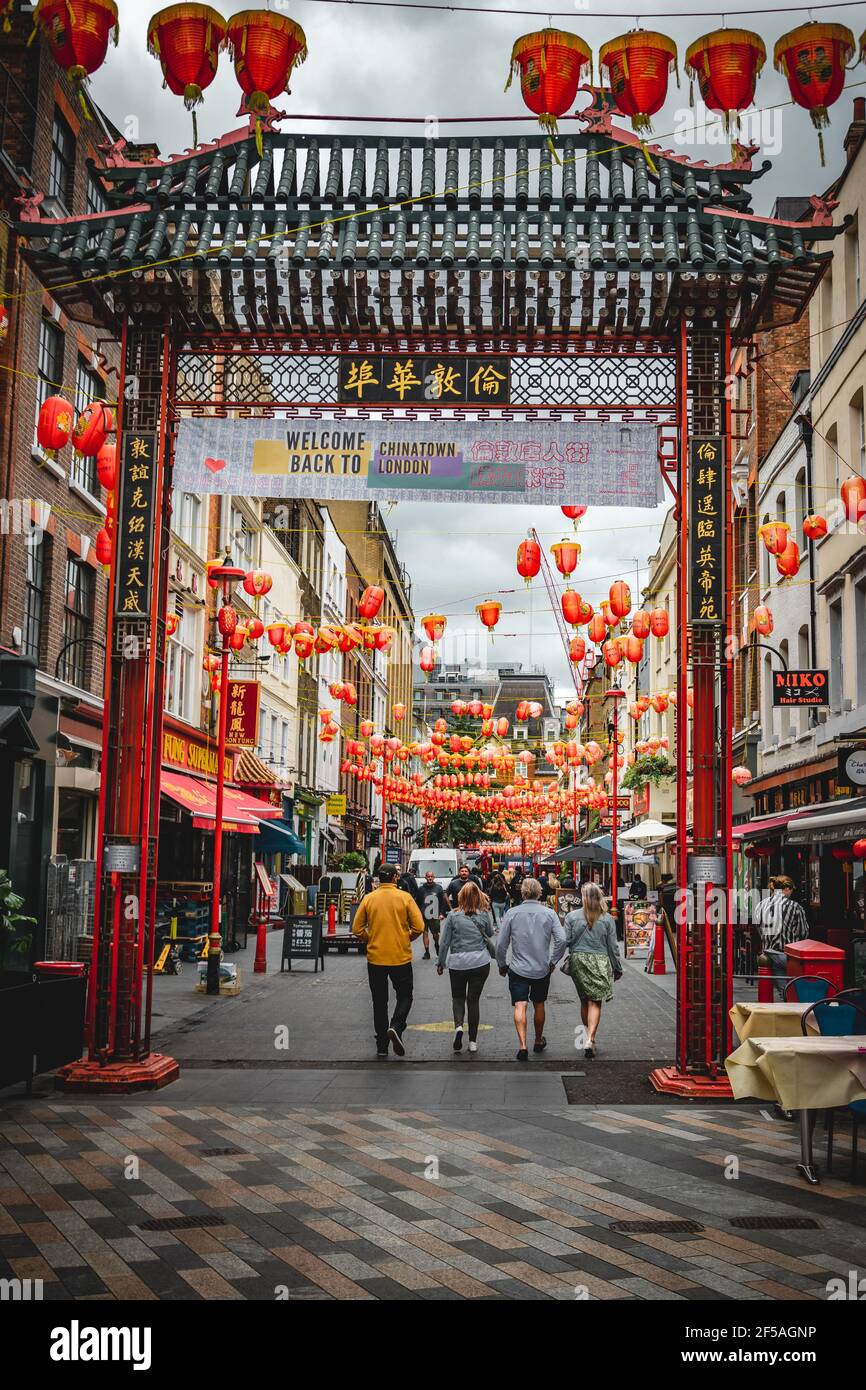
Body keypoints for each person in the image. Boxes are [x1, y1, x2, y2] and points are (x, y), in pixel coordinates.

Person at [352, 863, 424, 1057]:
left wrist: (371, 938)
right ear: (394, 878)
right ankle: (397, 1026)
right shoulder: (405, 898)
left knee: (379, 1001)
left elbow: (357, 929)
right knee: (405, 995)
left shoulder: (369, 899)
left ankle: (382, 1045)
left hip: (376, 958)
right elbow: (419, 926)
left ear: (379, 878)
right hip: (400, 957)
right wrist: (405, 937)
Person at [496, 877, 566, 1062]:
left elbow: (501, 944)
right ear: (540, 892)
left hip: (518, 968)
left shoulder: (512, 913)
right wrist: (553, 960)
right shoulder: (549, 914)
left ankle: (522, 1045)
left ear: (522, 892)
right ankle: (537, 1039)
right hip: (541, 968)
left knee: (520, 1004)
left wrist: (502, 964)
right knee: (539, 1004)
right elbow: (562, 939)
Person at [563, 883, 622, 1059]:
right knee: (595, 1001)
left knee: (584, 999)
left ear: (583, 897)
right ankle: (590, 1038)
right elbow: (613, 947)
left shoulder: (572, 917)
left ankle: (589, 1036)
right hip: (600, 961)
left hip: (578, 960)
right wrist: (617, 967)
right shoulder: (607, 919)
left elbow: (565, 940)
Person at [437, 881, 496, 1053]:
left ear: (460, 897)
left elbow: (445, 942)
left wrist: (441, 962)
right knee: (473, 1000)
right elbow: (490, 934)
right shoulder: (484, 914)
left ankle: (458, 1028)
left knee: (458, 998)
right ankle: (473, 1042)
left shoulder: (453, 916)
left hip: (458, 963)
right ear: (479, 896)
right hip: (480, 962)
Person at [754, 875, 809, 998]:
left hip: (769, 955)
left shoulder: (760, 906)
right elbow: (803, 933)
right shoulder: (795, 907)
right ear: (787, 888)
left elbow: (758, 929)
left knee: (785, 992)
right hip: (789, 957)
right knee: (799, 991)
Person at [417, 870, 449, 960]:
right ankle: (427, 952)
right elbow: (417, 902)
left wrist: (442, 913)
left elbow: (442, 902)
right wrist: (418, 913)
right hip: (424, 915)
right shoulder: (421, 889)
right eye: (428, 876)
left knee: (435, 934)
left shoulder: (438, 888)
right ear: (425, 877)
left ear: (434, 877)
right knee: (425, 932)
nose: (430, 878)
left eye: (431, 876)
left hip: (434, 915)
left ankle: (436, 944)